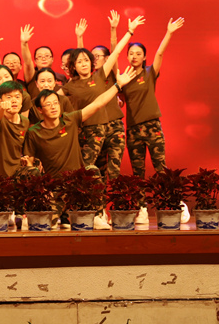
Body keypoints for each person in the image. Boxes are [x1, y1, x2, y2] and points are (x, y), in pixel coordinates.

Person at [23, 67, 137, 229]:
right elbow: (29, 162)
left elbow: (98, 103)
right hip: (54, 188)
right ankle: (50, 215)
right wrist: (40, 189)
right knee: (48, 226)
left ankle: (96, 214)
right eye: (48, 104)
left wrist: (117, 85)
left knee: (92, 170)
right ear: (40, 110)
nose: (53, 107)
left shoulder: (70, 120)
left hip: (77, 185)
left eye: (55, 103)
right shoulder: (34, 132)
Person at [63, 14, 145, 179]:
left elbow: (116, 52)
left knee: (113, 171)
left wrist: (129, 31)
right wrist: (79, 38)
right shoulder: (70, 85)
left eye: (88, 60)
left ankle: (114, 195)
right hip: (88, 130)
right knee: (90, 169)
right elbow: (79, 57)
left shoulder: (101, 75)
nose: (84, 63)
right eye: (80, 62)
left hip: (110, 127)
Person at [123, 17, 188, 224]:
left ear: (144, 57)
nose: (134, 56)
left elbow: (159, 53)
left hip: (152, 127)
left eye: (138, 54)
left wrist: (169, 32)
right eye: (131, 53)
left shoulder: (150, 73)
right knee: (138, 173)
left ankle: (176, 203)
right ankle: (142, 208)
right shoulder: (123, 78)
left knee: (161, 168)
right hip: (133, 130)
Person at [0, 81, 32, 177]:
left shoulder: (25, 121)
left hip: (16, 172)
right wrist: (1, 108)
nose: (14, 100)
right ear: (0, 100)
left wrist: (24, 158)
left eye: (17, 97)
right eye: (9, 97)